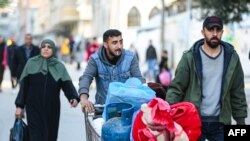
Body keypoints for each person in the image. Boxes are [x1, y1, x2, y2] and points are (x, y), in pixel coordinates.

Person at [164, 16, 248, 140]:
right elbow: (177, 88)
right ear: (203, 32)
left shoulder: (232, 59)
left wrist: (241, 124)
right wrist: (168, 115)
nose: (214, 33)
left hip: (220, 122)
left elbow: (237, 92)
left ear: (222, 32)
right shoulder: (190, 58)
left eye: (218, 30)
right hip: (193, 121)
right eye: (210, 29)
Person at [15, 39, 80, 141]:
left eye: (49, 47)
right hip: (33, 107)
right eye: (44, 46)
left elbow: (67, 84)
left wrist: (73, 97)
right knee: (35, 136)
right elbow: (24, 87)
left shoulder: (59, 66)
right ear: (40, 48)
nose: (46, 49)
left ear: (53, 50)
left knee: (50, 135)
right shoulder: (31, 63)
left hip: (52, 108)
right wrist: (19, 106)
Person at [78, 29, 145, 112]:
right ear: (105, 44)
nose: (119, 46)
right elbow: (86, 77)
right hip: (103, 110)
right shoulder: (95, 59)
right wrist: (84, 98)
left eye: (121, 42)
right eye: (114, 43)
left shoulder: (130, 57)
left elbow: (138, 79)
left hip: (126, 110)